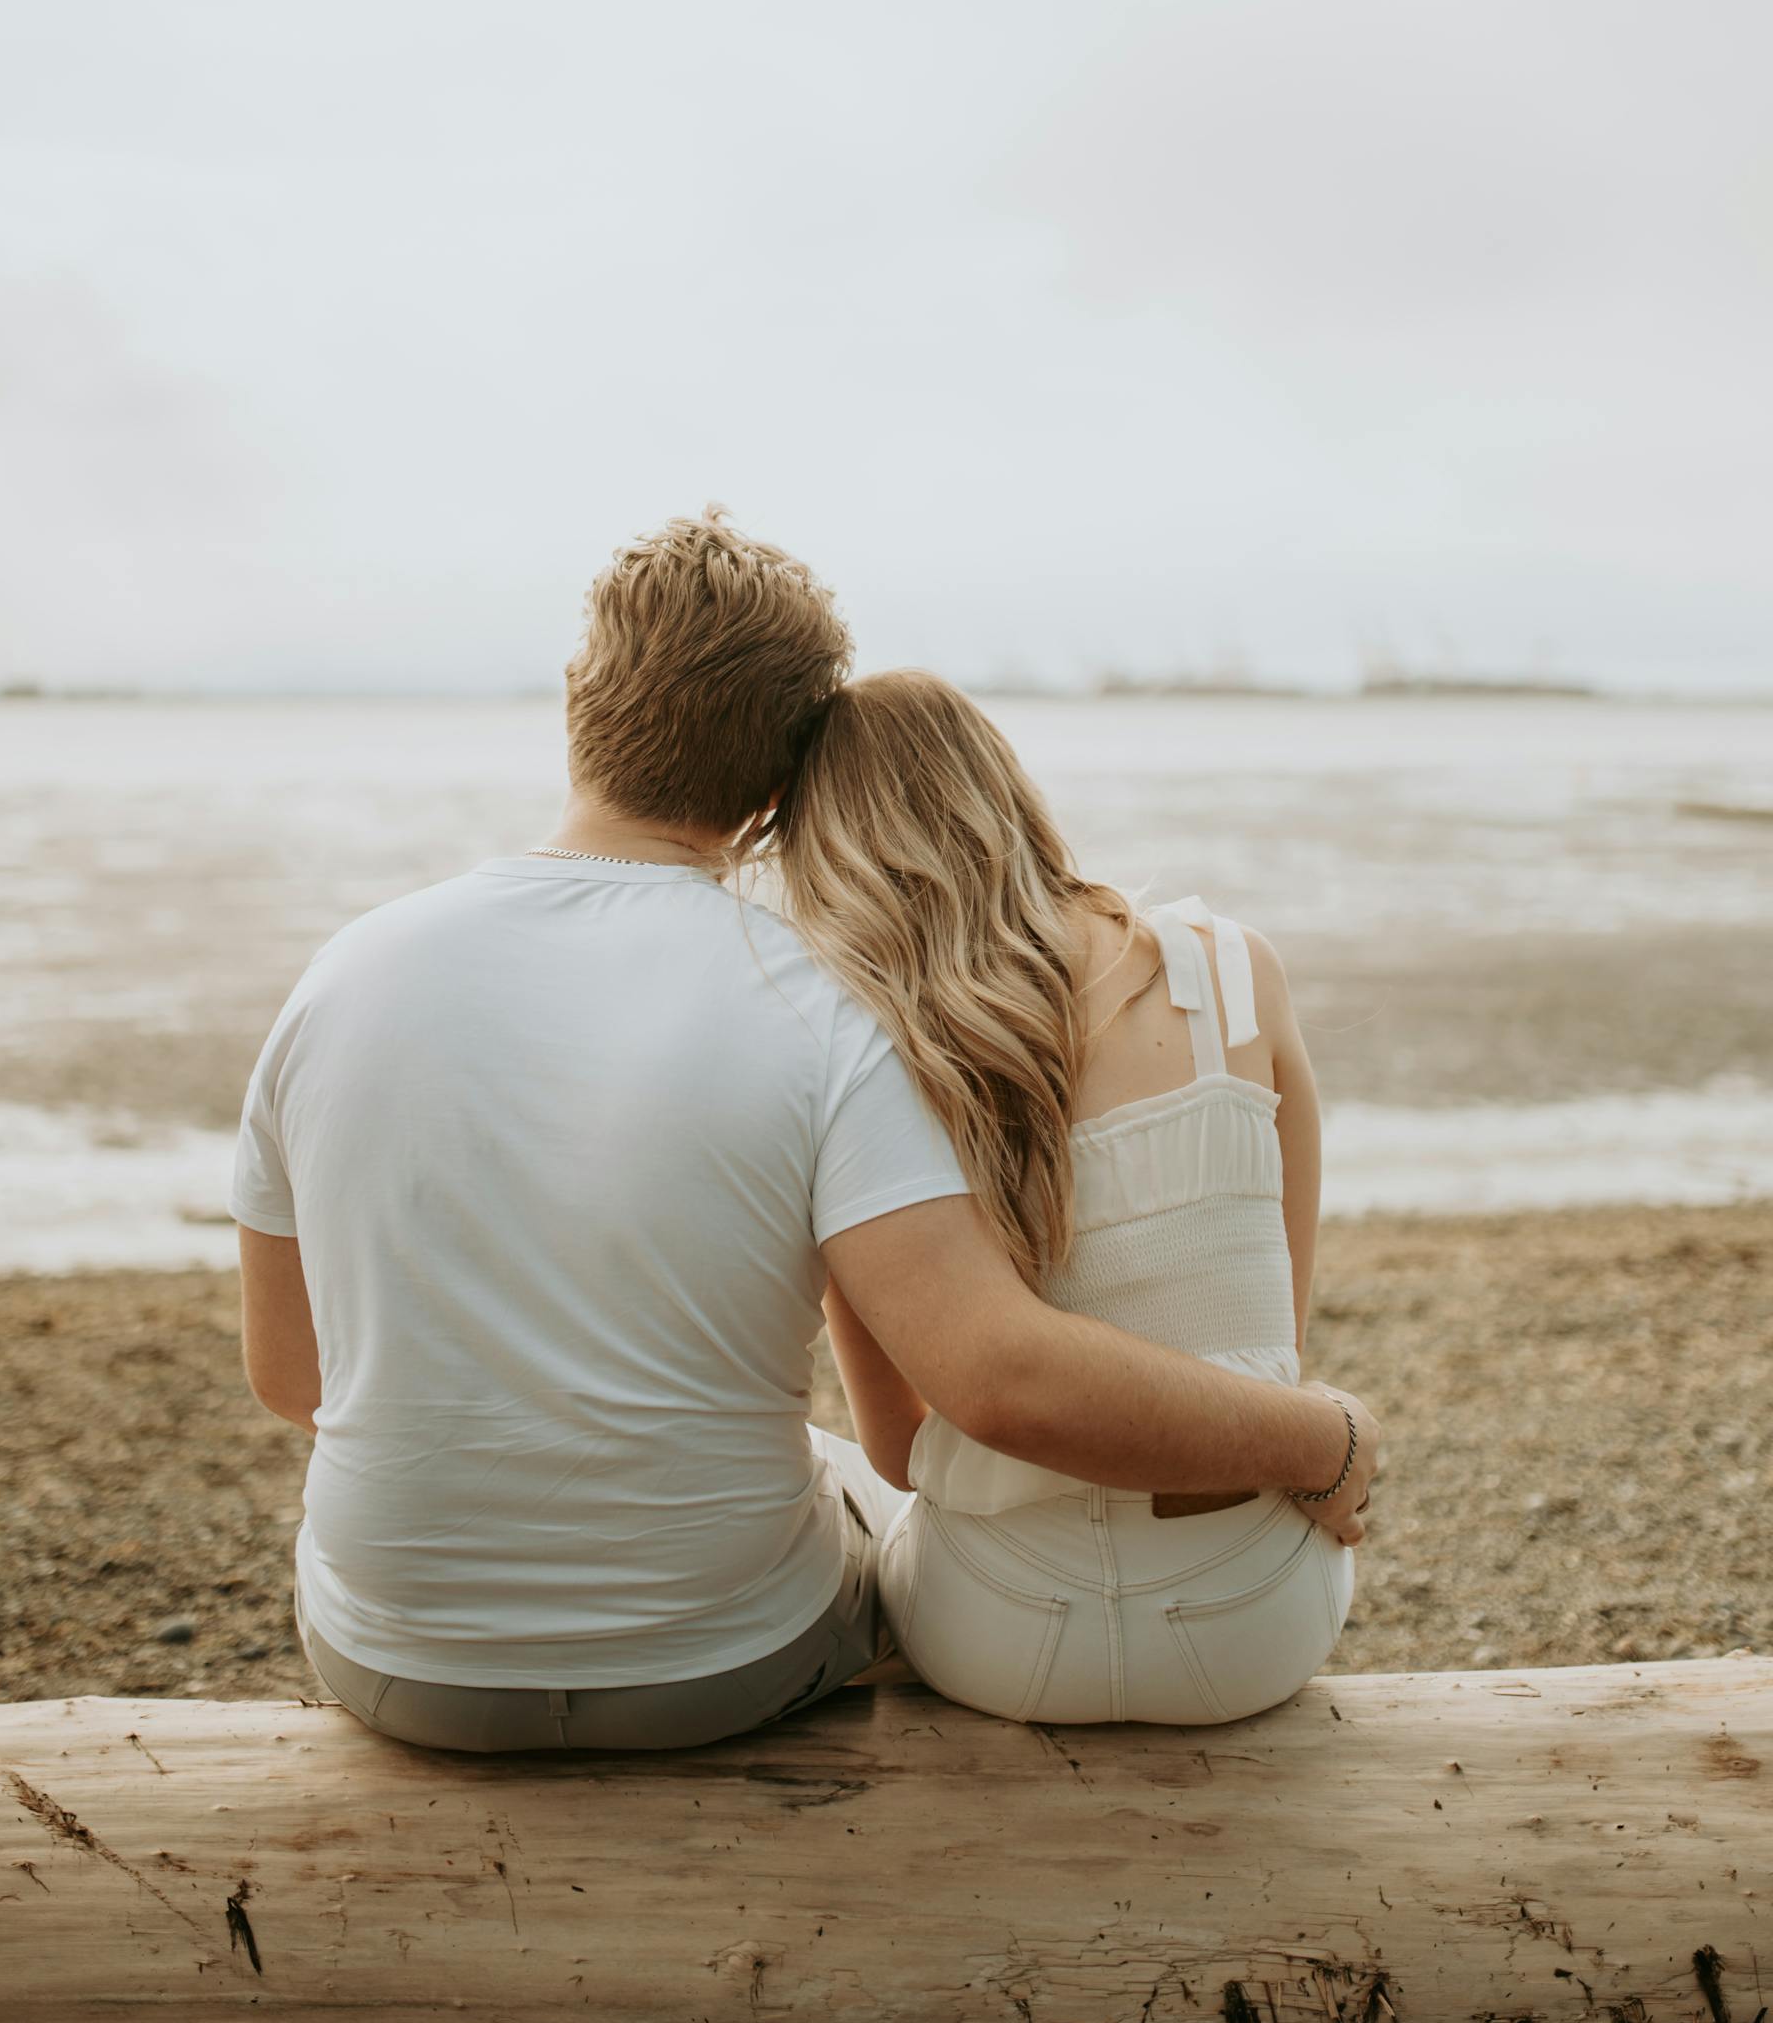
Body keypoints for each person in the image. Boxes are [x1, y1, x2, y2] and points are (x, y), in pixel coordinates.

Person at [234, 511, 1378, 1755]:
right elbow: (988, 1375)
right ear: (780, 792)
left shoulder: (342, 975)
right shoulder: (815, 1005)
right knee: (851, 1494)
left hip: (396, 1660)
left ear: (575, 699)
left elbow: (292, 1378)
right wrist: (1321, 1432)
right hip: (717, 1664)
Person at [766, 668, 1362, 1727]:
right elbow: (1277, 1350)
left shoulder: (862, 1062)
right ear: (1004, 789)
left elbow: (903, 1451)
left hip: (997, 1632)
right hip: (1256, 1618)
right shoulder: (1234, 972)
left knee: (831, 1477)